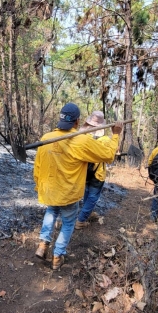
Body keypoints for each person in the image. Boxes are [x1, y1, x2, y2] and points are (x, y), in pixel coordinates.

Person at [34, 103, 122, 270]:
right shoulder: (82, 141)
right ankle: (57, 256)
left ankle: (43, 244)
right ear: (77, 121)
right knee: (68, 222)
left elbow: (38, 166)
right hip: (68, 192)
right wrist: (116, 135)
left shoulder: (46, 138)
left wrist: (38, 185)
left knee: (51, 211)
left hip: (51, 190)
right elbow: (109, 155)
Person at [75, 111, 114, 229]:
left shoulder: (84, 137)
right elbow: (110, 159)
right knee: (93, 197)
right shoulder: (106, 140)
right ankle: (80, 221)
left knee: (87, 192)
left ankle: (88, 213)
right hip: (98, 174)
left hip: (85, 172)